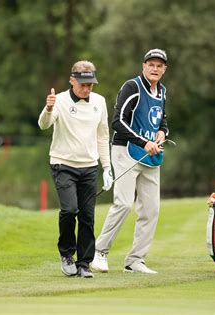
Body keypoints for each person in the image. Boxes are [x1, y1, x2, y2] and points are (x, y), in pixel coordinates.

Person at [92, 49, 169, 274]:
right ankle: (100, 252)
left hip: (151, 157)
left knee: (151, 210)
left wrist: (163, 132)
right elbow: (117, 121)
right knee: (124, 203)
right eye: (151, 64)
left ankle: (135, 260)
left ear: (164, 69)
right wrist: (143, 141)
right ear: (143, 66)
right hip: (126, 151)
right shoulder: (132, 87)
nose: (155, 69)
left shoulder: (162, 91)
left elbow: (162, 119)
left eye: (159, 65)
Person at [38, 60, 113, 278]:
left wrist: (107, 167)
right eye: (83, 84)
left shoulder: (99, 102)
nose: (87, 88)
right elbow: (44, 124)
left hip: (89, 167)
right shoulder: (59, 100)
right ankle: (67, 255)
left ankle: (84, 264)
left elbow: (103, 136)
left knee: (88, 216)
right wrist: (48, 107)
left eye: (90, 84)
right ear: (72, 80)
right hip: (63, 164)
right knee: (70, 210)